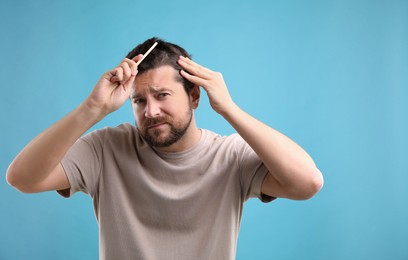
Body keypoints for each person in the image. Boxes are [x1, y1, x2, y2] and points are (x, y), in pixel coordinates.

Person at [6, 37, 323, 260]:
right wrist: (92, 108)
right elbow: (22, 178)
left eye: (162, 95)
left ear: (195, 97)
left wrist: (230, 109)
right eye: (139, 100)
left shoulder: (231, 156)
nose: (150, 111)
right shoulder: (106, 149)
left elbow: (308, 183)